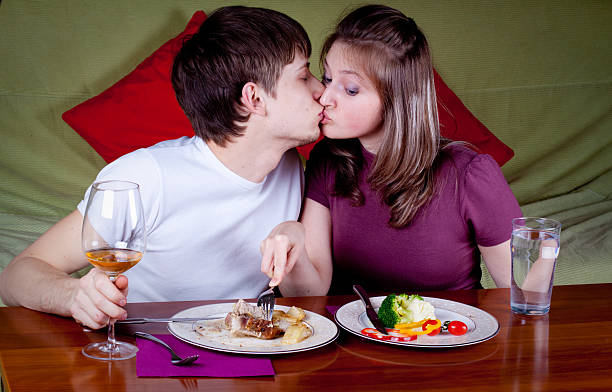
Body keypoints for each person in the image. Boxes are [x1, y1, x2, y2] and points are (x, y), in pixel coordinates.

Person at [0, 6, 324, 329]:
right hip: (145, 352)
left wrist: (295, 235)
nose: (320, 90)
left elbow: (307, 294)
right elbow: (17, 275)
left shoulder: (291, 167)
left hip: (241, 355)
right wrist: (72, 295)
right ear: (253, 98)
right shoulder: (146, 176)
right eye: (303, 75)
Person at [260, 5, 522, 296]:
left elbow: (520, 295)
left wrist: (543, 259)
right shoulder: (328, 160)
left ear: (396, 100)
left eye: (351, 89)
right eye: (329, 79)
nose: (325, 96)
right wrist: (290, 244)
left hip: (448, 335)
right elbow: (309, 296)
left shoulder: (471, 173)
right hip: (353, 337)